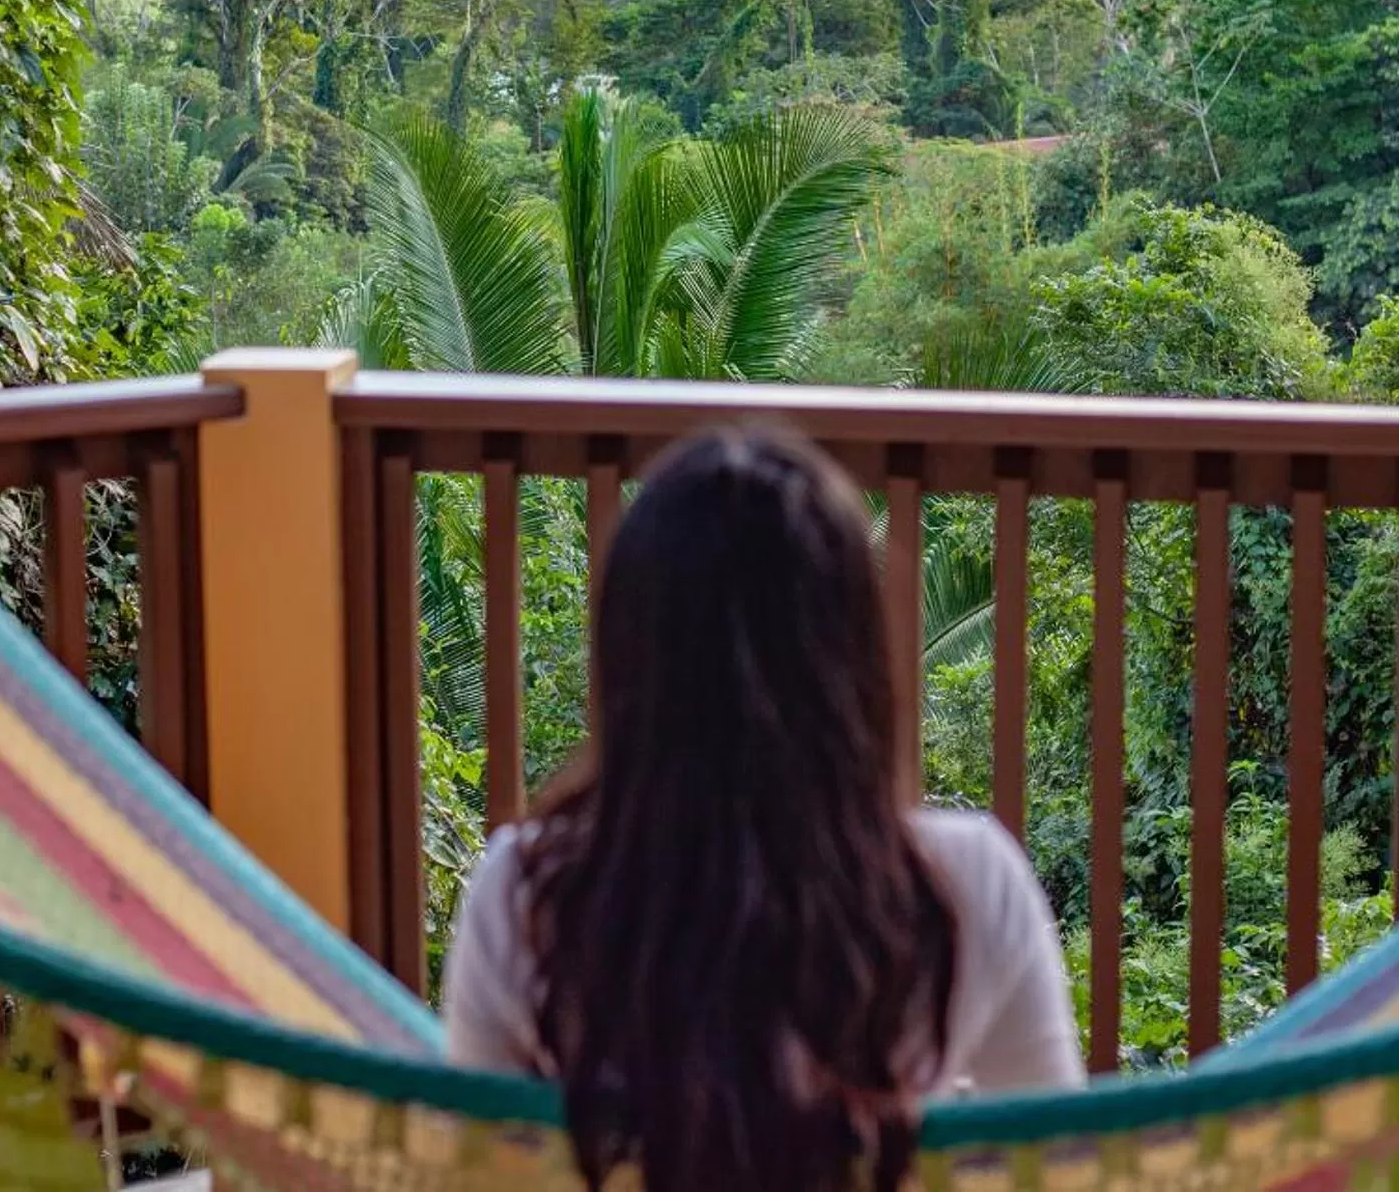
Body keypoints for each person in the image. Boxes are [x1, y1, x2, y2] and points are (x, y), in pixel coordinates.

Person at [441, 425, 1083, 1191]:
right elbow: (1061, 1170)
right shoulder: (964, 886)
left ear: (627, 662)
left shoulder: (524, 896)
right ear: (854, 665)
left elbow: (474, 1174)